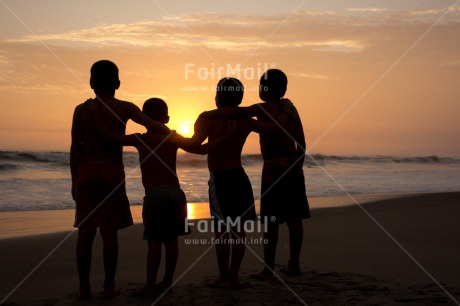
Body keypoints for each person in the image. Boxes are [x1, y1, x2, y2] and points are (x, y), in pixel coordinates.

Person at [88, 97, 224, 296]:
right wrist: (224, 135)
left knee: (154, 242)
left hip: (154, 195)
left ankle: (150, 285)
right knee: (171, 241)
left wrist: (94, 112)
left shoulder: (140, 138)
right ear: (167, 118)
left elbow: (109, 136)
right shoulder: (172, 137)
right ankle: (167, 281)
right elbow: (200, 148)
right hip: (175, 193)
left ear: (143, 119)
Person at [70, 60, 169, 300]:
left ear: (92, 82)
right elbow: (152, 125)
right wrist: (170, 131)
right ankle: (108, 286)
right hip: (111, 171)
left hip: (86, 169)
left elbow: (75, 148)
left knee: (86, 231)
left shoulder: (81, 110)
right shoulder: (125, 107)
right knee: (109, 231)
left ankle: (84, 287)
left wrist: (74, 180)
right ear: (117, 83)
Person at [202, 69, 310, 280]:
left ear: (262, 89)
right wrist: (298, 165)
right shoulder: (291, 110)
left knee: (271, 220)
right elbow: (302, 143)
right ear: (284, 89)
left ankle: (268, 269)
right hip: (293, 164)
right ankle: (294, 264)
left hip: (272, 168)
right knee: (294, 218)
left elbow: (234, 112)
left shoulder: (259, 109)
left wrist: (207, 114)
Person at [192, 77, 284, 288]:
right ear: (240, 98)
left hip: (220, 178)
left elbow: (195, 145)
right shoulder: (245, 121)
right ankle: (234, 276)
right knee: (239, 230)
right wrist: (285, 111)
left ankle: (224, 277)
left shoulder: (207, 120)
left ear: (217, 97)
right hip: (239, 177)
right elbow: (272, 127)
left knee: (222, 231)